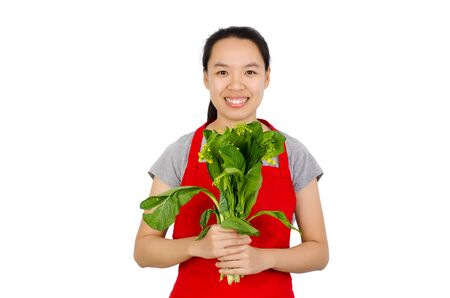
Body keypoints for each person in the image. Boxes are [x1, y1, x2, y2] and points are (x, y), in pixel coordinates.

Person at [134, 26, 329, 298]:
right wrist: (197, 246)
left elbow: (319, 252)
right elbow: (144, 251)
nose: (235, 85)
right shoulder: (181, 152)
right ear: (206, 78)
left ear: (267, 76)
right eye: (222, 72)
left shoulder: (291, 152)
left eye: (250, 72)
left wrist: (266, 259)